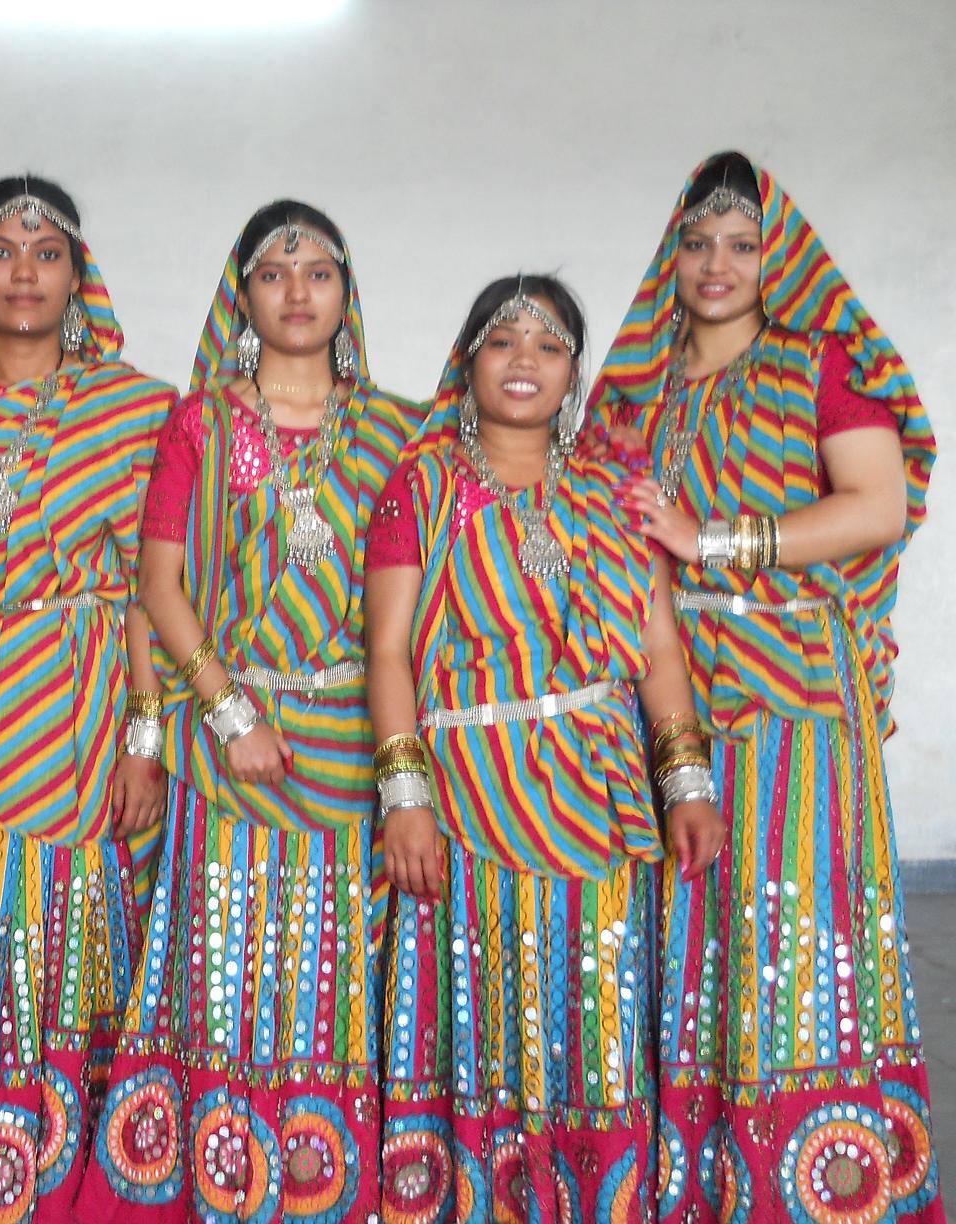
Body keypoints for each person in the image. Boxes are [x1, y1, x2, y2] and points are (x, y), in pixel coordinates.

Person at [592, 151, 942, 1222]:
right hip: (667, 690)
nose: (718, 264)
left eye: (742, 244)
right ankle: (694, 1181)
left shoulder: (815, 362)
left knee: (791, 933)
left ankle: (811, 1183)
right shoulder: (639, 386)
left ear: (776, 253)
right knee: (681, 928)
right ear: (672, 252)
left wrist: (712, 542)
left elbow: (877, 504)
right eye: (698, 241)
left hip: (794, 696)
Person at [78, 201, 420, 1222]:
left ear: (347, 293)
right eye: (274, 272)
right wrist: (229, 714)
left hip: (351, 745)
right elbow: (158, 584)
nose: (298, 290)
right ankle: (217, 1184)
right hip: (230, 746)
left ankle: (322, 1186)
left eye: (318, 271)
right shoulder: (204, 423)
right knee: (220, 973)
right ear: (243, 296)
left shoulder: (400, 430)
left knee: (334, 975)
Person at [365, 275, 724, 1221]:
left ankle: (602, 1197)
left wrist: (687, 781)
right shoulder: (423, 485)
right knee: (487, 1016)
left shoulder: (612, 489)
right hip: (473, 800)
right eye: (503, 339)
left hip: (600, 792)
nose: (524, 360)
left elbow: (656, 648)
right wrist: (406, 797)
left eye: (549, 344)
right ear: (468, 360)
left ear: (573, 372)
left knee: (598, 1013)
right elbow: (389, 651)